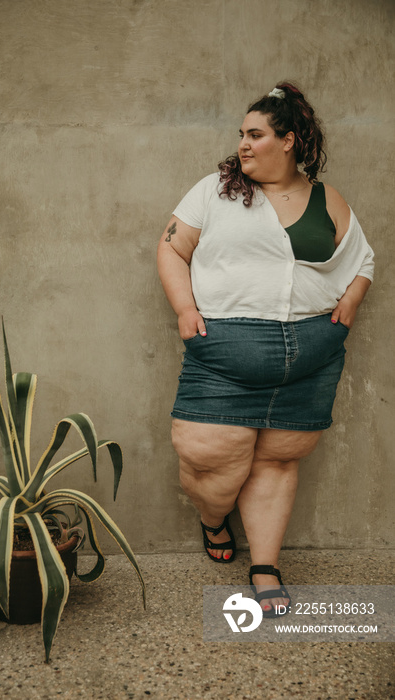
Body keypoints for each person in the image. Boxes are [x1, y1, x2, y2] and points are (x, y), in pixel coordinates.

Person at [157, 82, 374, 617]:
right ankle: (213, 519)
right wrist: (187, 310)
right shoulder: (215, 191)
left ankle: (265, 567)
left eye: (255, 135)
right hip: (225, 351)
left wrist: (350, 302)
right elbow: (171, 248)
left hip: (311, 355)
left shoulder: (328, 198)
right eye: (242, 136)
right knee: (210, 461)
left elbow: (362, 258)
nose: (244, 145)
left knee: (279, 461)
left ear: (290, 140)